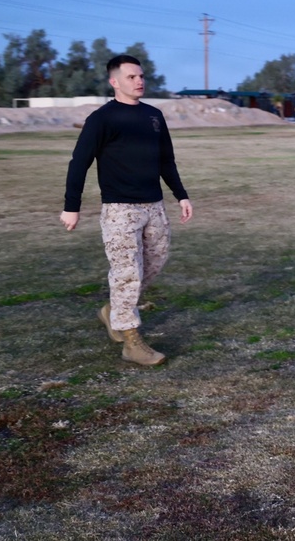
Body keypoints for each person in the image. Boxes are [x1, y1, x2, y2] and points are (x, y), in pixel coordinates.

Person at [60, 54, 193, 366]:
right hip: (120, 209)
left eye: (141, 76)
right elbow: (79, 163)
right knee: (127, 272)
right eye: (132, 77)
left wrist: (181, 195)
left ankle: (114, 310)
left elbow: (166, 162)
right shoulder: (102, 119)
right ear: (114, 81)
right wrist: (71, 207)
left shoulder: (154, 116)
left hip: (154, 206)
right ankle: (131, 342)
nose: (139, 81)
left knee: (155, 262)